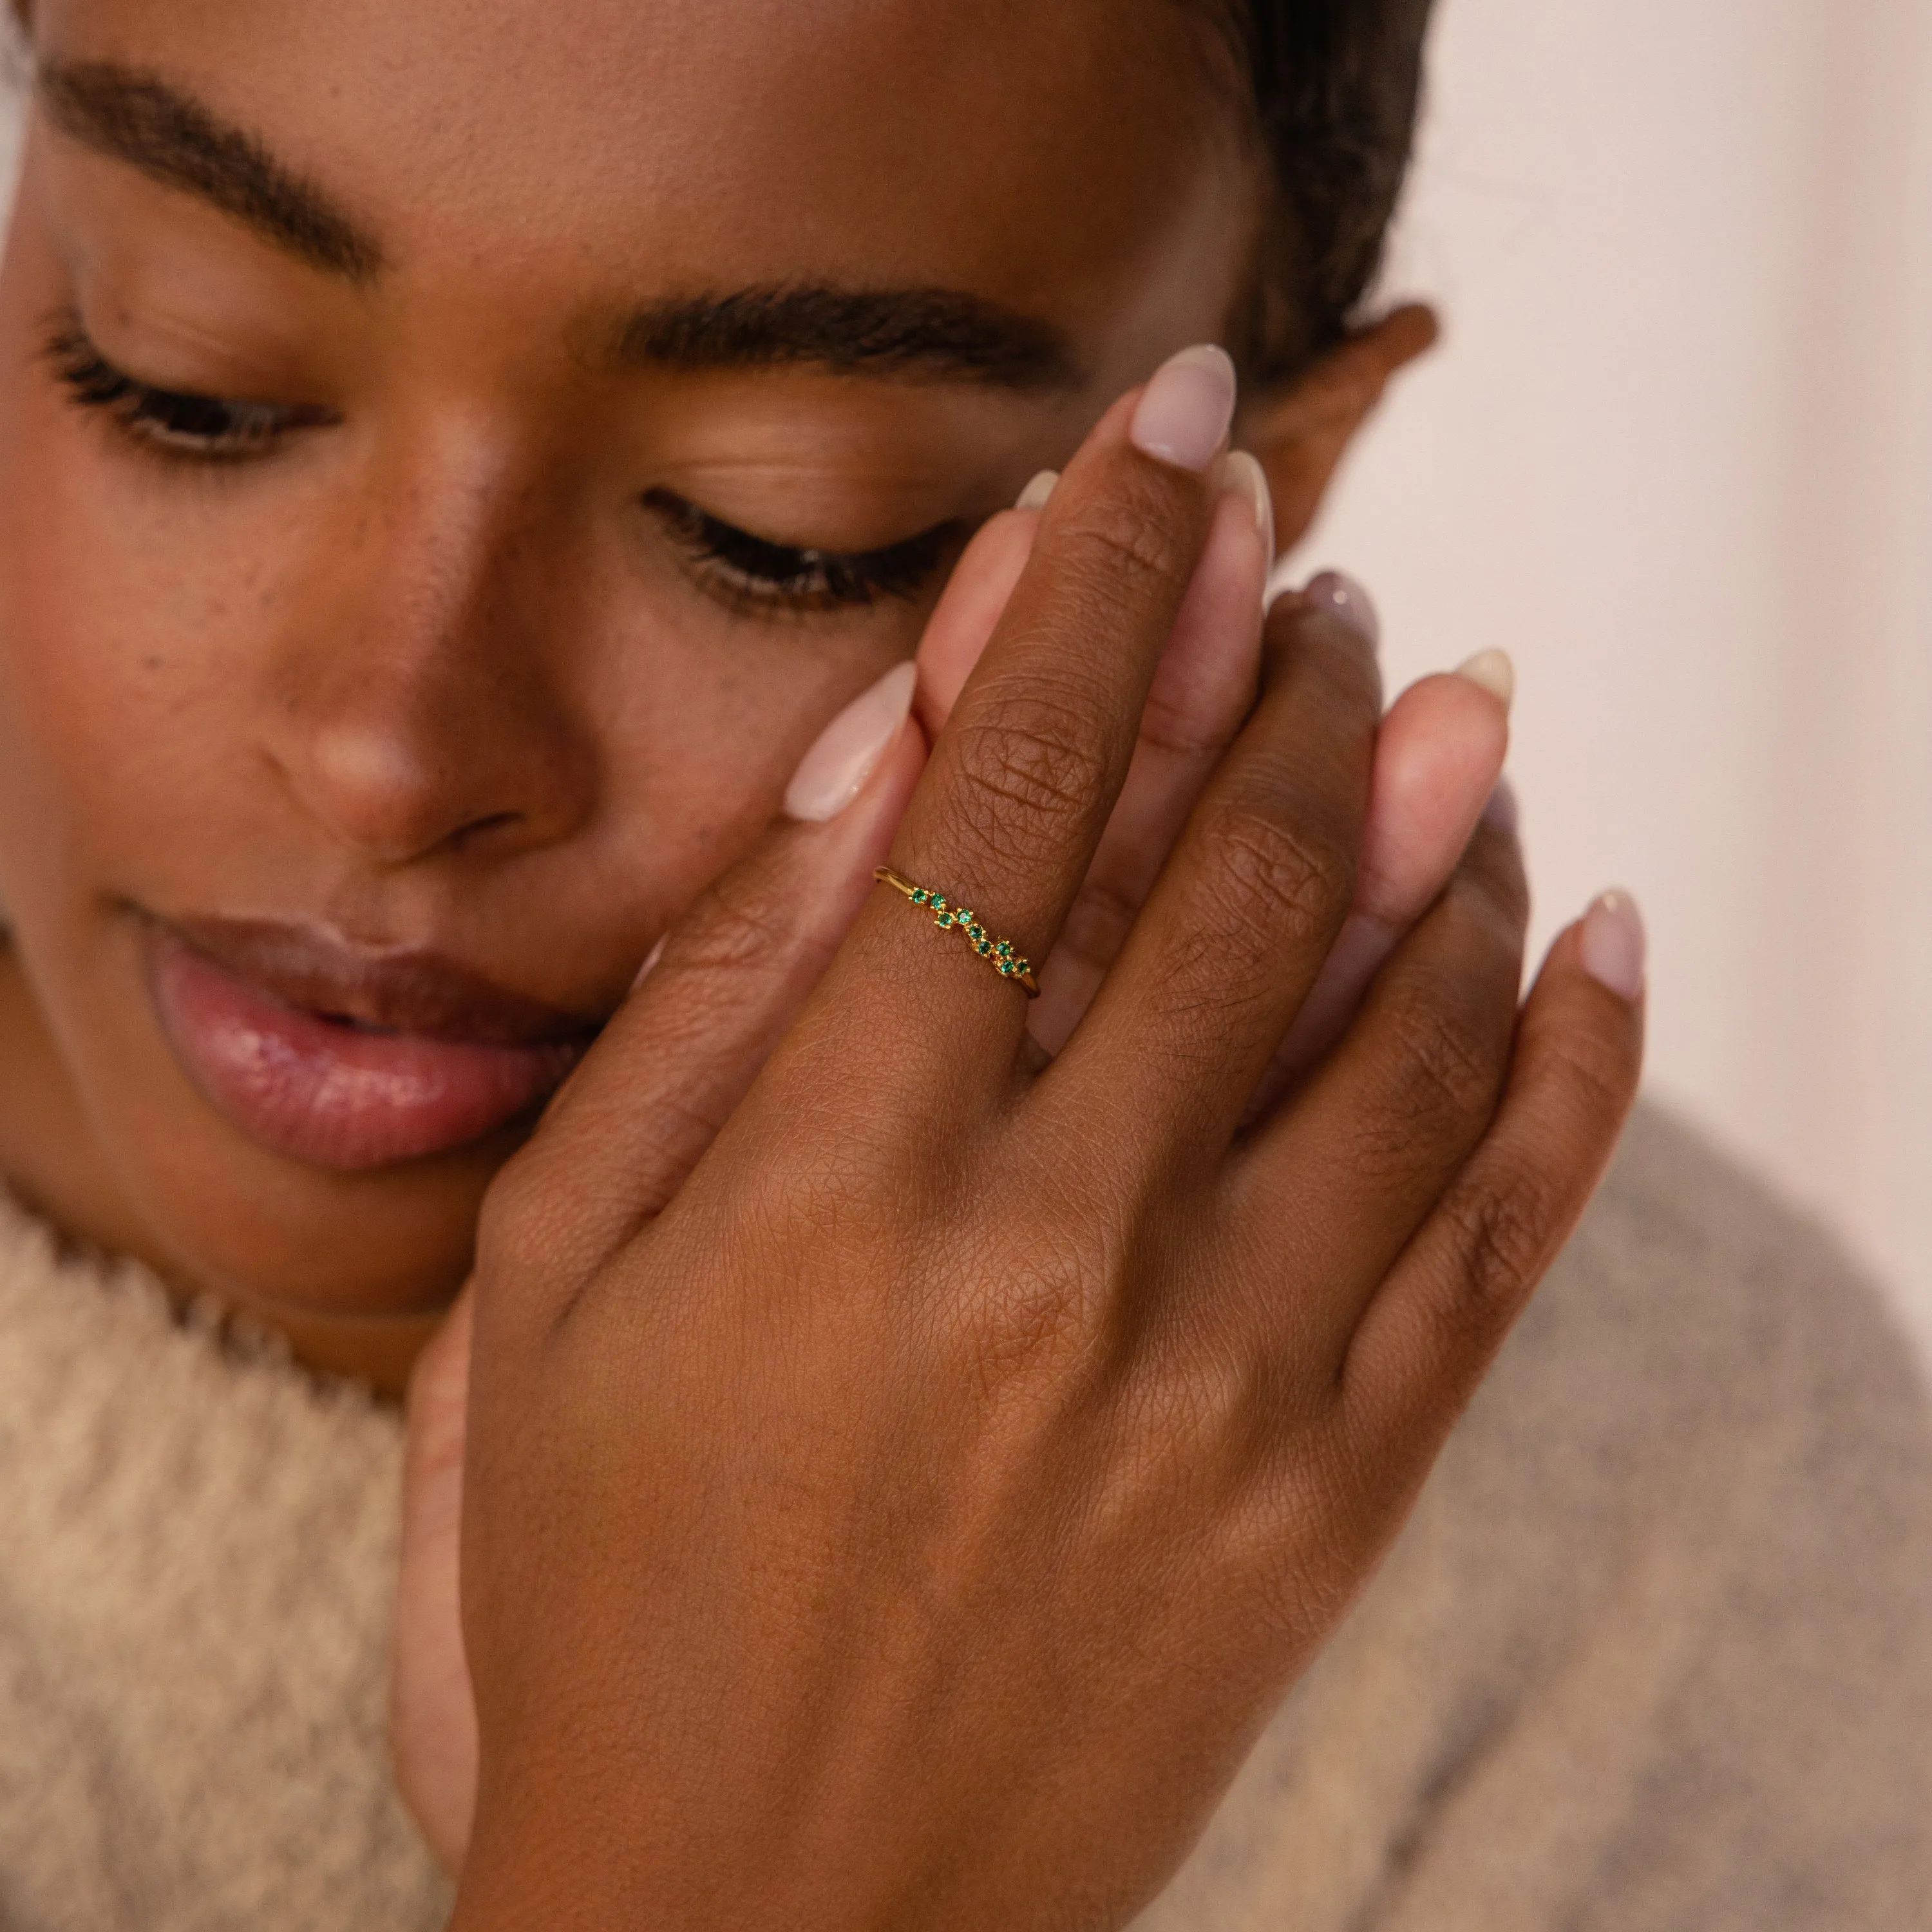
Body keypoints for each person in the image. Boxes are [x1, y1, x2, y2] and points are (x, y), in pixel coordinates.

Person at [0, 1, 1924, 1926]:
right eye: (188, 387)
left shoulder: (1687, 1542)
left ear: (1264, 491)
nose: (391, 753)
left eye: (780, 529)